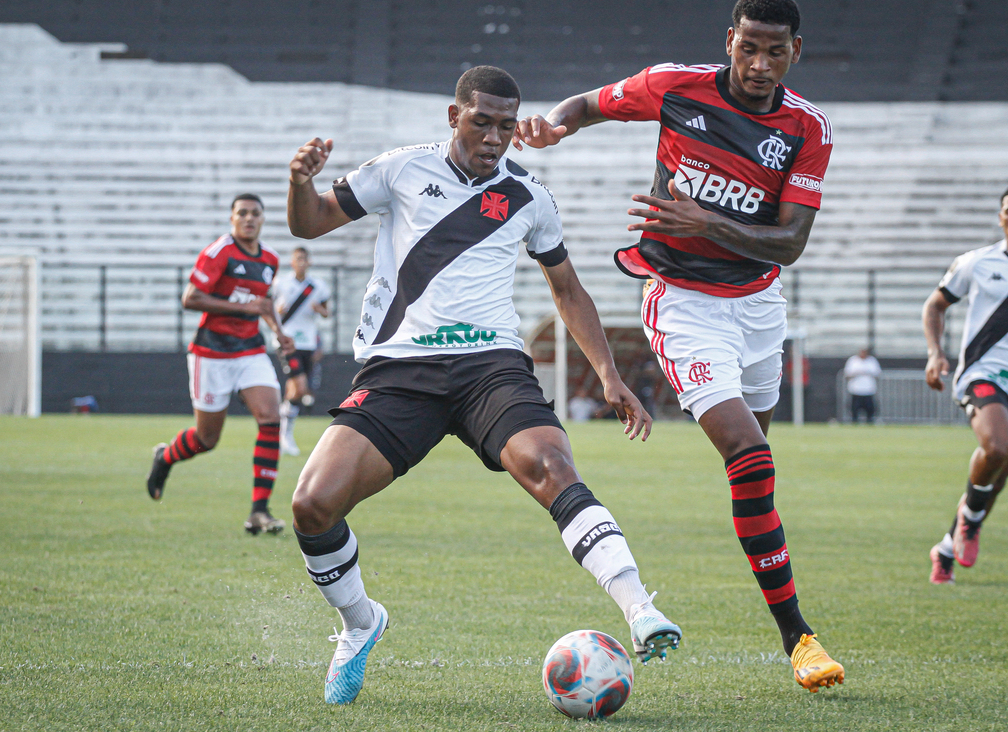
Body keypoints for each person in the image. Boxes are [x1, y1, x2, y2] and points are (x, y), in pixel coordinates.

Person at [286, 65, 681, 705]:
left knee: (550, 464)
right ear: (454, 116)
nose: (495, 137)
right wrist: (299, 182)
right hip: (398, 370)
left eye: (505, 124)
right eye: (482, 122)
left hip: (489, 366)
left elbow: (567, 289)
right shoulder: (401, 170)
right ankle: (360, 624)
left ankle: (640, 610)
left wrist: (610, 375)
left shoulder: (530, 197)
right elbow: (310, 224)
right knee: (312, 505)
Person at [513, 0, 844, 692]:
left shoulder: (806, 129)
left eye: (774, 52)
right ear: (730, 40)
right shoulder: (675, 86)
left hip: (758, 307)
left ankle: (759, 542)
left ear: (795, 53)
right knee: (749, 455)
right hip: (683, 302)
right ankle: (800, 637)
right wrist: (555, 127)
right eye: (747, 47)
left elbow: (790, 241)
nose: (757, 65)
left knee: (759, 467)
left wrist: (707, 219)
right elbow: (587, 103)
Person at [923, 184, 1008, 584]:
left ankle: (948, 545)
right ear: (1000, 217)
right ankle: (970, 519)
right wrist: (935, 352)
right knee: (996, 445)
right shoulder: (975, 263)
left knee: (995, 481)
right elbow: (935, 305)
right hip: (982, 374)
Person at [145, 194, 295, 535]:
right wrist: (246, 310)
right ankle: (165, 457)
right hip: (211, 353)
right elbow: (190, 299)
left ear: (262, 219)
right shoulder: (218, 253)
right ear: (232, 219)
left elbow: (264, 303)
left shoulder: (269, 258)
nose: (249, 219)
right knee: (206, 439)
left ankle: (259, 510)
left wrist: (279, 333)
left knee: (271, 418)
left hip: (250, 351)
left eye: (255, 214)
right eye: (242, 213)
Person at [274, 246, 332, 455]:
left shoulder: (317, 286)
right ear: (292, 262)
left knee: (295, 391)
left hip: (308, 342)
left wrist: (319, 310)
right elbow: (267, 308)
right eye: (297, 259)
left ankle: (282, 433)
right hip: (288, 341)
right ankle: (285, 436)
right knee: (299, 388)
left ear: (309, 262)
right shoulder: (281, 283)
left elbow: (327, 312)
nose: (301, 262)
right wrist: (278, 311)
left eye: (304, 259)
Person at [844, 347, 881, 423]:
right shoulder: (853, 360)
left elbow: (877, 374)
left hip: (868, 390)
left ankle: (870, 422)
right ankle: (854, 423)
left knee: (870, 409)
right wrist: (856, 373)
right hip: (855, 390)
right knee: (855, 409)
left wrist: (867, 373)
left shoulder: (872, 361)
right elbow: (847, 374)